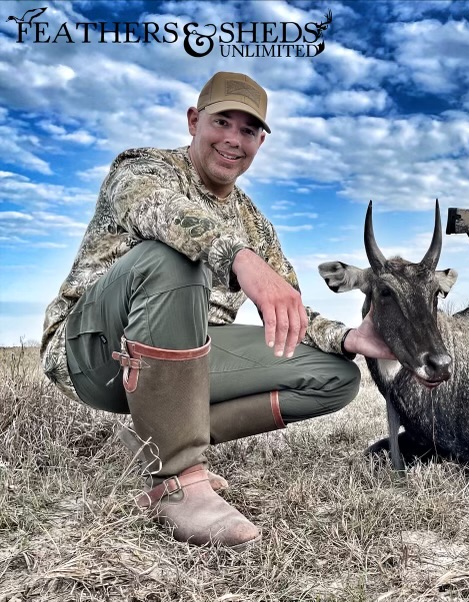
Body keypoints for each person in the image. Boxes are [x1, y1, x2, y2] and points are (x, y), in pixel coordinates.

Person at [41, 71, 393, 550]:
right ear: (193, 121)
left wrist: (349, 338)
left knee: (336, 377)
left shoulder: (256, 224)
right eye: (221, 122)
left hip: (180, 365)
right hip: (92, 354)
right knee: (174, 255)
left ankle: (157, 436)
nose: (233, 139)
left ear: (260, 142)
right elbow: (161, 211)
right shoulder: (142, 168)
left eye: (248, 130)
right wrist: (239, 258)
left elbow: (287, 306)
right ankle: (177, 479)